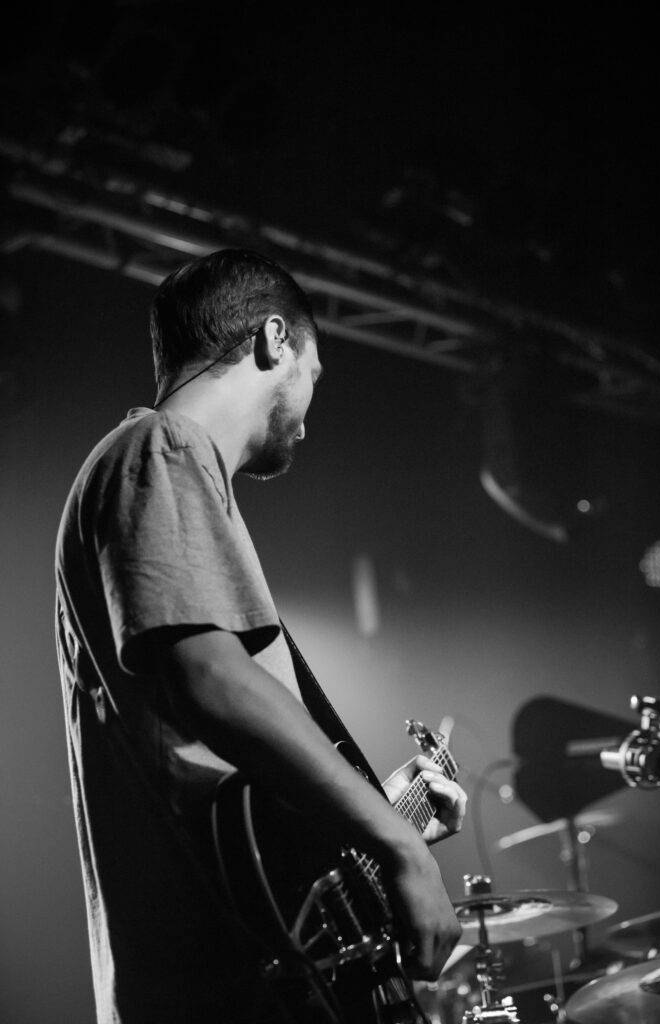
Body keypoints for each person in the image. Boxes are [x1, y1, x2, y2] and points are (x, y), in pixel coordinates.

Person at [55, 248, 467, 1024]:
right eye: (314, 373)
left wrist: (389, 814)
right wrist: (398, 846)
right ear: (274, 340)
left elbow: (231, 810)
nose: (310, 413)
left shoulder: (166, 473)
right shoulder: (162, 449)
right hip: (219, 989)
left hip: (247, 970)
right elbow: (209, 681)